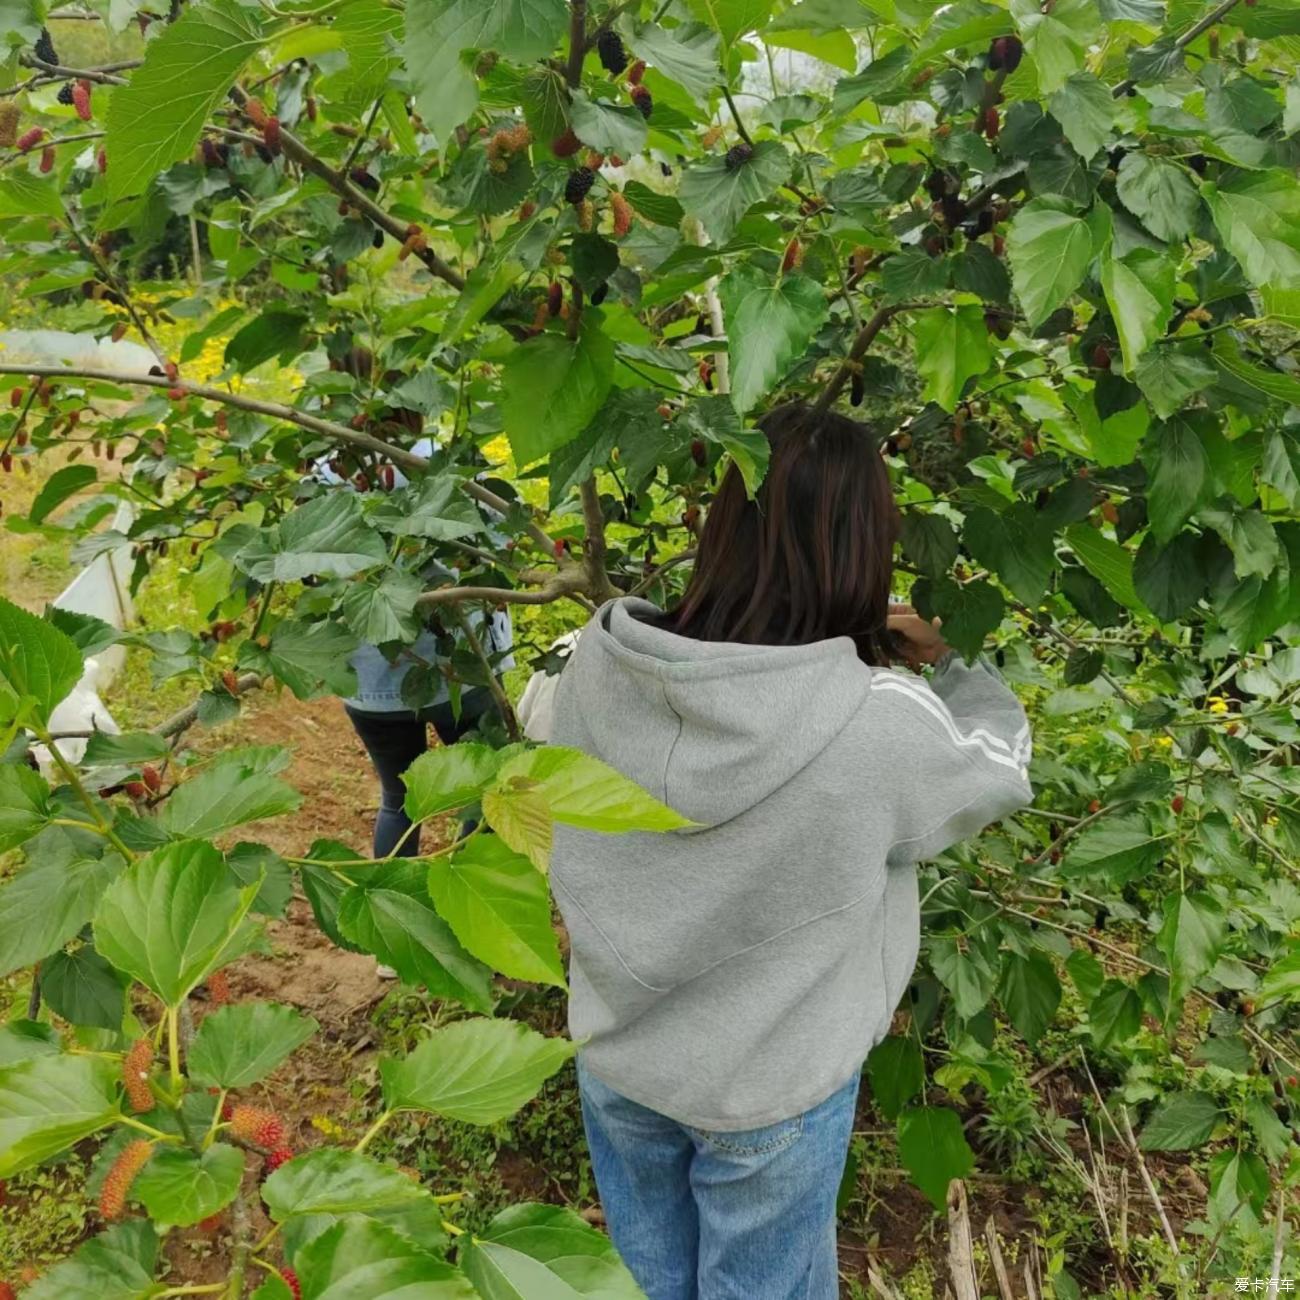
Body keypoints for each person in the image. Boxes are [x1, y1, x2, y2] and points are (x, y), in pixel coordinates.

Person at [538, 401, 1033, 1300]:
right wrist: (954, 655)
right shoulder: (876, 720)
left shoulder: (595, 660)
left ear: (724, 525)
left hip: (618, 1059)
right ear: (865, 547)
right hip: (770, 1090)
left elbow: (546, 764)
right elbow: (999, 767)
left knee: (644, 1282)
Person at [317, 439, 513, 860]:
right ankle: (474, 893)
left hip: (370, 679)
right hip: (458, 666)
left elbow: (314, 576)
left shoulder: (325, 475)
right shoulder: (446, 458)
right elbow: (499, 540)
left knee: (398, 800)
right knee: (485, 793)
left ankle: (395, 903)